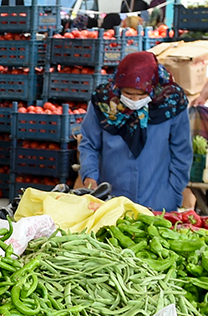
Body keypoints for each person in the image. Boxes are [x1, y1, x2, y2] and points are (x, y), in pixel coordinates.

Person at [77, 52, 191, 211]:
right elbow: (89, 144)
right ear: (118, 87)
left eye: (141, 94)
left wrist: (174, 190)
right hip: (111, 198)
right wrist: (90, 178)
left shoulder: (171, 102)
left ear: (152, 88)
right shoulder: (103, 102)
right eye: (128, 94)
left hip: (159, 198)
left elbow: (182, 150)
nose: (135, 100)